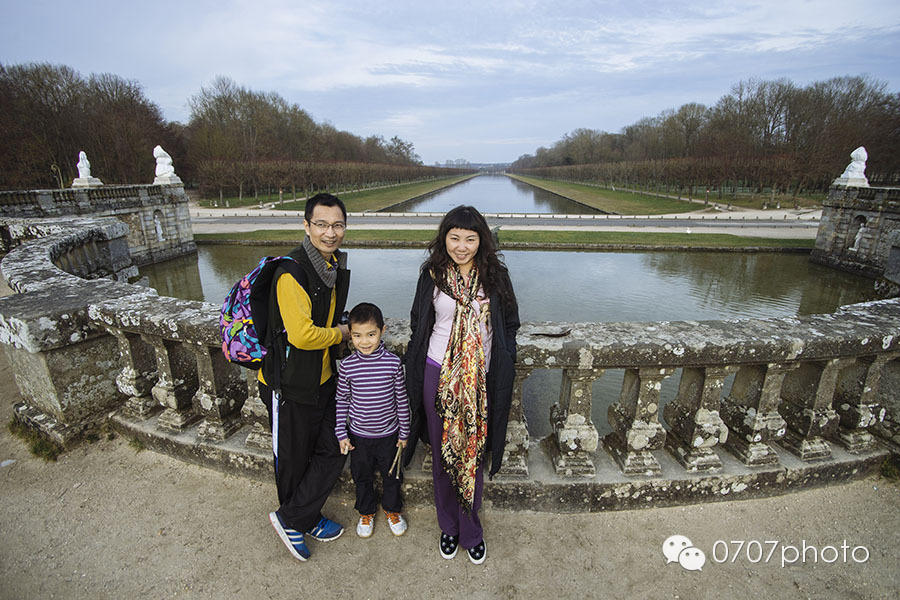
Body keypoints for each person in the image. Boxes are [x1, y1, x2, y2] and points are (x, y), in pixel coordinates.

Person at [403, 205, 520, 565]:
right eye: (455, 238)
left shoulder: (496, 277)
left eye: (470, 239)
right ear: (444, 239)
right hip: (436, 373)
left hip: (478, 379)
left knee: (471, 455)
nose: (462, 246)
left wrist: (492, 356)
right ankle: (449, 527)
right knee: (442, 457)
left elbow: (511, 323)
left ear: (482, 240)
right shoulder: (432, 275)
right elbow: (417, 321)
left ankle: (471, 530)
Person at [260, 192, 351, 562]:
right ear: (306, 226)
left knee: (334, 448)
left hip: (323, 380)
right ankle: (297, 520)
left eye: (338, 225)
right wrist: (343, 335)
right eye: (322, 224)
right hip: (290, 386)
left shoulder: (328, 265)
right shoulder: (292, 272)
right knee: (294, 462)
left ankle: (296, 516)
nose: (331, 233)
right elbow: (302, 335)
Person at [334, 302, 411, 538]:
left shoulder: (393, 364)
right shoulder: (347, 366)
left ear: (382, 331)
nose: (364, 342)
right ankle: (366, 512)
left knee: (392, 475)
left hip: (389, 435)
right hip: (359, 436)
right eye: (357, 336)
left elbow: (402, 400)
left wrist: (404, 432)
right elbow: (342, 401)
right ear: (350, 335)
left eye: (371, 335)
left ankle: (391, 510)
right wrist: (341, 433)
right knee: (362, 476)